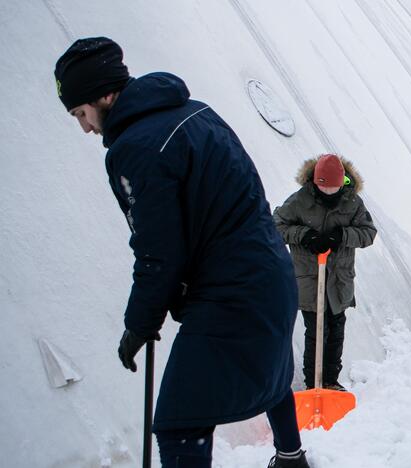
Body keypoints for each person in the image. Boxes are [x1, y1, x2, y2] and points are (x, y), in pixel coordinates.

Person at [54, 37, 309, 468]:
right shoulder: (196, 111)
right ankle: (291, 457)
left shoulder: (135, 148)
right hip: (270, 271)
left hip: (232, 291)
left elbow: (158, 250)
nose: (84, 127)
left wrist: (139, 323)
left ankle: (291, 458)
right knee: (271, 369)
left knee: (179, 423)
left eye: (82, 113)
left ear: (105, 95)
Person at [274, 154, 376, 391]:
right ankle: (314, 384)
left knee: (336, 331)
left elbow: (368, 233)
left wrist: (342, 235)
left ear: (343, 184)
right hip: (310, 280)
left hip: (339, 281)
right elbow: (275, 225)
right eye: (324, 189)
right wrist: (304, 235)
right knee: (316, 332)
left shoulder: (352, 202)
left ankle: (331, 381)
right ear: (314, 183)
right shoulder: (299, 201)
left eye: (334, 190)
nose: (329, 194)